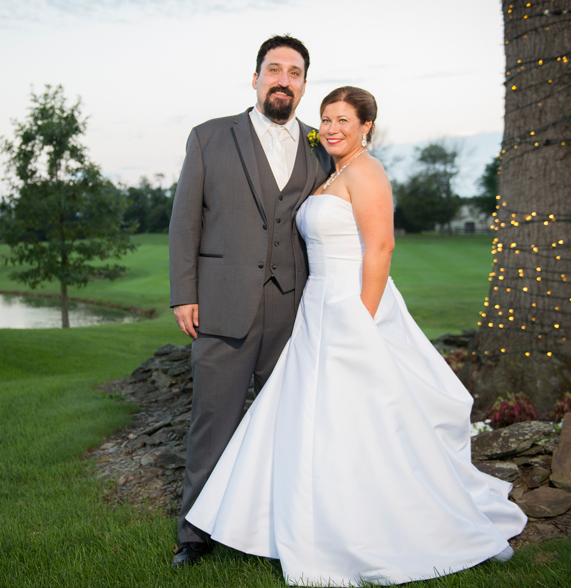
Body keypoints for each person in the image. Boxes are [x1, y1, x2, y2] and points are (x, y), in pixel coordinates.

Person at [185, 86, 528, 586]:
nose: (331, 128)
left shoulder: (367, 171)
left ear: (367, 126)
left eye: (343, 119)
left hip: (352, 307)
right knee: (311, 419)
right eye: (326, 118)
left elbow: (381, 248)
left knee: (360, 419)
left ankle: (368, 525)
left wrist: (362, 321)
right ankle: (298, 519)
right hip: (316, 307)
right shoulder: (332, 173)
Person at [168, 35, 333, 568]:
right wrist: (183, 294)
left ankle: (278, 529)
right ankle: (195, 533)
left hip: (295, 309)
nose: (284, 79)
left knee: (287, 426)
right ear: (256, 77)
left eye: (294, 72)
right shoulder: (209, 136)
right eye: (274, 69)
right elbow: (184, 221)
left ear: (304, 85)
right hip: (221, 304)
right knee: (213, 420)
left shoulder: (320, 146)